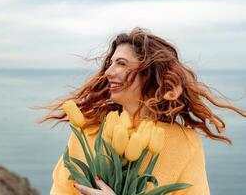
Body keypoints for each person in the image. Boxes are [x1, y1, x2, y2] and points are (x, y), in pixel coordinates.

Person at [38, 27, 246, 195]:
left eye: (121, 64)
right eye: (110, 64)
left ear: (148, 74)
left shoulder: (184, 143)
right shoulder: (88, 133)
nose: (109, 72)